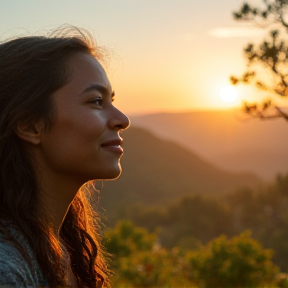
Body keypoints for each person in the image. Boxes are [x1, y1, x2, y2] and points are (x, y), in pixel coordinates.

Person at [0, 26, 130, 288]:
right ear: (29, 125)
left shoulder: (62, 246)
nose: (122, 120)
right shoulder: (7, 270)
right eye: (96, 101)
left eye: (111, 100)